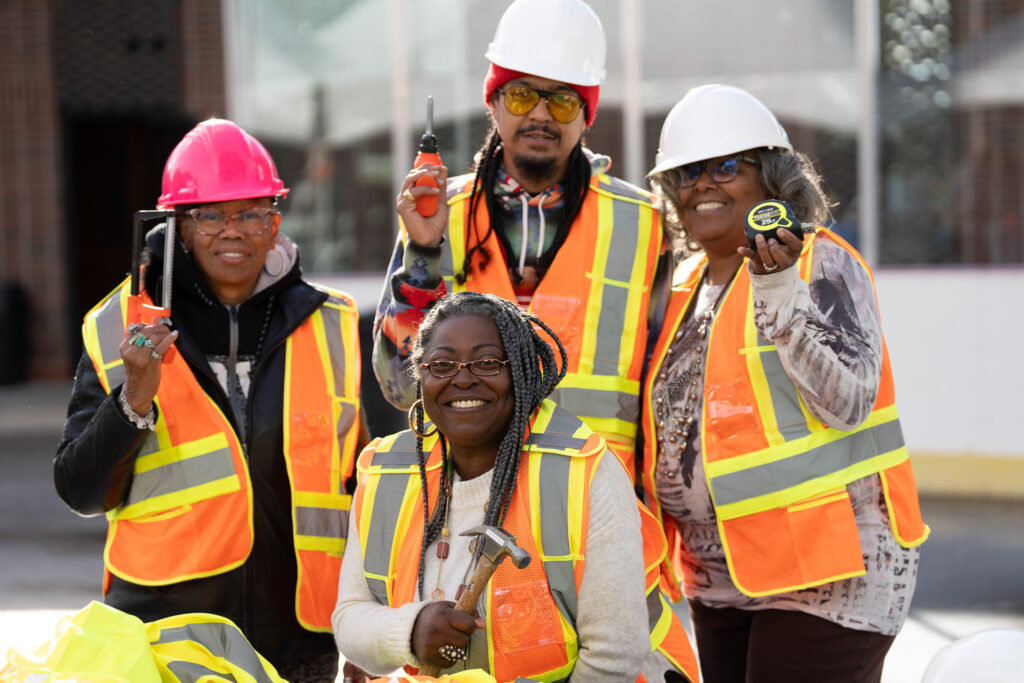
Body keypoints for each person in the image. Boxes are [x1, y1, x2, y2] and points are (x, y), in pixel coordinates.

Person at [53, 118, 366, 683]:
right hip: (169, 643)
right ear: (178, 227)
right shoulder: (116, 326)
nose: (233, 231)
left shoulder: (332, 323)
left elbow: (360, 491)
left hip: (299, 645)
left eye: (251, 213)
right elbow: (80, 491)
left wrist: (368, 633)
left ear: (274, 225)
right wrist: (134, 398)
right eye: (210, 215)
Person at [640, 83, 930, 683]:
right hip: (720, 577)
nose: (703, 184)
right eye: (688, 172)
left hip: (832, 570)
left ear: (771, 177)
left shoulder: (820, 261)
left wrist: (779, 291)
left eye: (725, 166)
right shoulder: (683, 285)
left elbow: (849, 398)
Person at [334, 292, 698, 683]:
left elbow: (615, 651)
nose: (463, 377)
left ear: (521, 373)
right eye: (441, 365)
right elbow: (350, 614)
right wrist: (409, 631)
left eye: (488, 362)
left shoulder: (581, 471)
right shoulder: (387, 472)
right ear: (419, 375)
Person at [374, 0, 666, 479]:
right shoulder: (436, 214)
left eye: (564, 99)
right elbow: (400, 388)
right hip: (464, 501)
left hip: (594, 504)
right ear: (493, 102)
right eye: (522, 96)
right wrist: (424, 253)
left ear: (586, 114)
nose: (541, 115)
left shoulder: (644, 224)